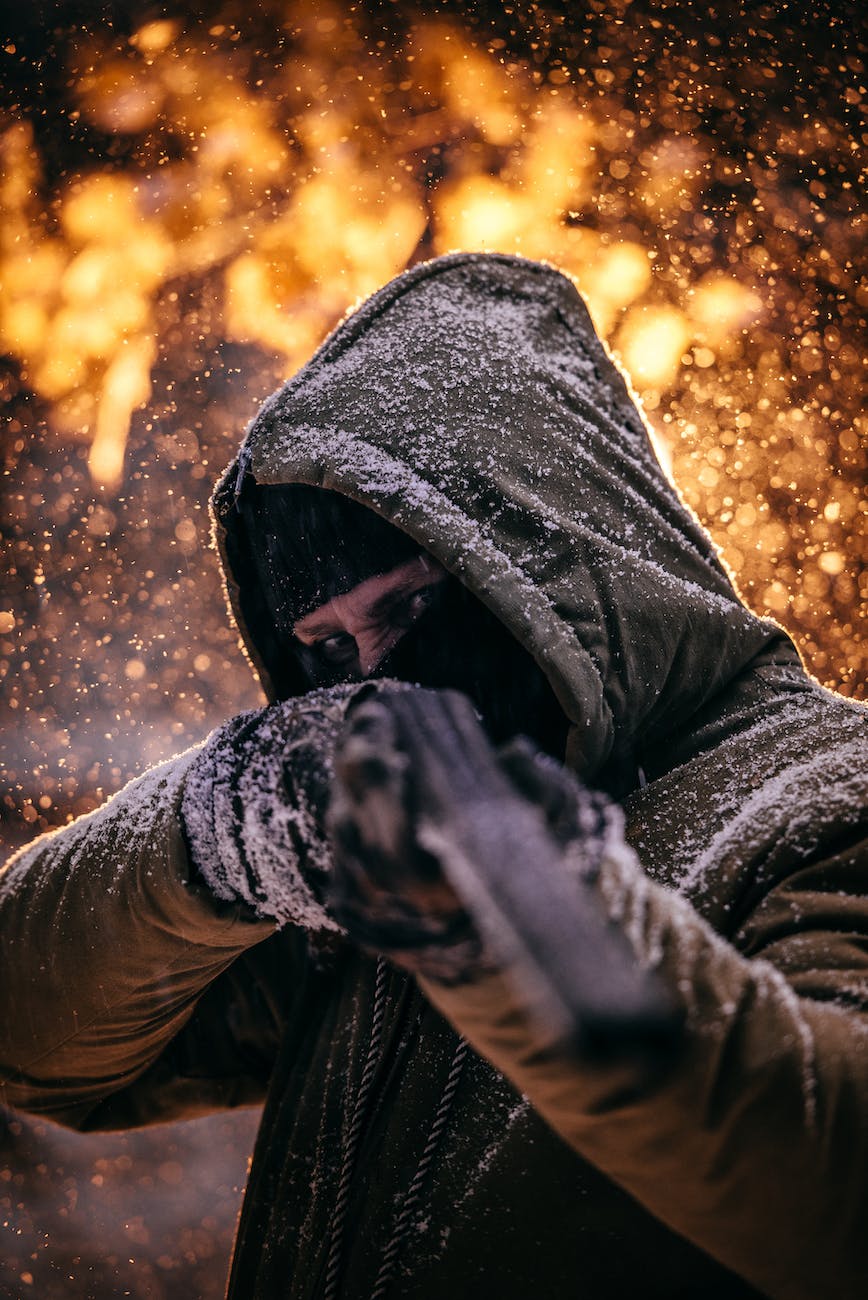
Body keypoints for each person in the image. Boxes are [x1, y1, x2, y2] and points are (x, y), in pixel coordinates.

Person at [1, 252, 866, 1300]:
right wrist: (217, 827)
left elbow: (834, 1183)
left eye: (411, 608)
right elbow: (31, 1038)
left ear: (563, 562)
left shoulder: (821, 795)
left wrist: (527, 914)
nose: (373, 680)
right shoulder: (368, 874)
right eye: (325, 650)